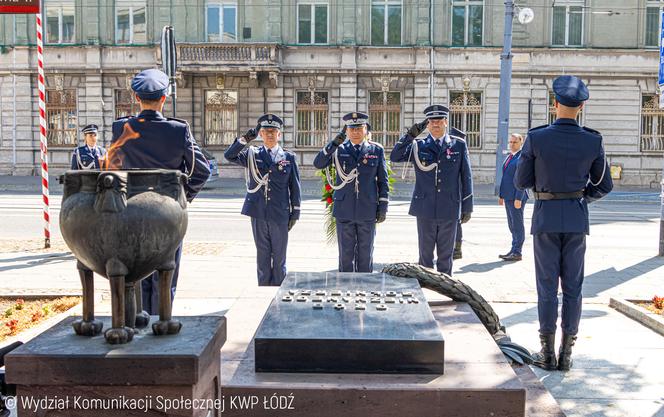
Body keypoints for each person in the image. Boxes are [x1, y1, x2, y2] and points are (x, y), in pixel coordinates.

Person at [515, 75, 613, 371]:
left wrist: (545, 194)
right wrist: (579, 199)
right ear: (581, 106)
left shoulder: (537, 137)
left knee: (547, 287)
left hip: (545, 217)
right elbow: (604, 185)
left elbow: (521, 180)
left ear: (553, 103)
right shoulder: (593, 140)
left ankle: (547, 354)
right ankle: (566, 355)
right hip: (576, 218)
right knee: (573, 287)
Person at [109, 68, 210, 316]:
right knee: (166, 274)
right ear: (164, 98)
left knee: (136, 274)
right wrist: (183, 196)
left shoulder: (121, 128)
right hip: (168, 213)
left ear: (135, 97)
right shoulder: (178, 130)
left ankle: (139, 325)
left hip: (131, 213)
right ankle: (161, 326)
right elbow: (202, 170)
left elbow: (110, 172)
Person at [390, 105, 473, 276]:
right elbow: (395, 156)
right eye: (432, 121)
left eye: (439, 120)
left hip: (449, 207)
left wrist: (467, 207)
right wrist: (410, 135)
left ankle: (446, 290)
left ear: (445, 122)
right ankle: (425, 291)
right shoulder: (418, 145)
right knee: (425, 257)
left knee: (446, 256)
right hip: (425, 207)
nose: (436, 124)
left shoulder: (458, 145)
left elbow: (466, 177)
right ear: (427, 124)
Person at [224, 114, 301, 286]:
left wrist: (295, 213)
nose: (270, 134)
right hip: (258, 212)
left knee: (280, 257)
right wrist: (247, 138)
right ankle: (262, 292)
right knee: (263, 256)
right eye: (266, 131)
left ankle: (277, 293)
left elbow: (294, 187)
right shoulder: (252, 154)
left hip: (280, 214)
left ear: (279, 134)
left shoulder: (288, 157)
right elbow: (229, 155)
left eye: (273, 131)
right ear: (261, 134)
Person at [313, 112, 389, 272]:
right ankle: (345, 290)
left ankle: (364, 291)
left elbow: (383, 181)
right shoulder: (338, 149)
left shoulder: (376, 150)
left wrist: (382, 208)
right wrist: (333, 144)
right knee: (345, 256)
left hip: (367, 209)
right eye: (351, 128)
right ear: (346, 131)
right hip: (344, 209)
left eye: (359, 128)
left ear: (365, 130)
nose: (355, 132)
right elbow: (318, 163)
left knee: (366, 256)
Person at [498, 133, 528, 262]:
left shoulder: (522, 158)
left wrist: (518, 198)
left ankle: (517, 252)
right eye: (510, 142)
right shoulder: (510, 157)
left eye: (514, 142)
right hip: (508, 195)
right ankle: (513, 249)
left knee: (517, 225)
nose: (511, 144)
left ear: (521, 142)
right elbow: (505, 178)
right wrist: (501, 195)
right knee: (512, 224)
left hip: (517, 196)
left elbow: (522, 180)